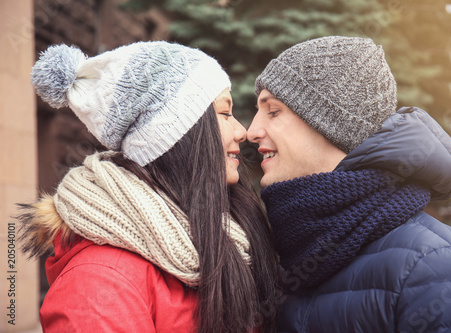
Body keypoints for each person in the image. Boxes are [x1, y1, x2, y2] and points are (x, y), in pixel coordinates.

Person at [19, 41, 280, 332]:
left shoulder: (224, 235)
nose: (242, 131)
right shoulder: (101, 282)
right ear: (178, 135)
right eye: (224, 114)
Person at [247, 36, 451, 332]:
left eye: (273, 111)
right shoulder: (291, 257)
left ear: (332, 124)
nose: (251, 130)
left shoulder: (442, 270)